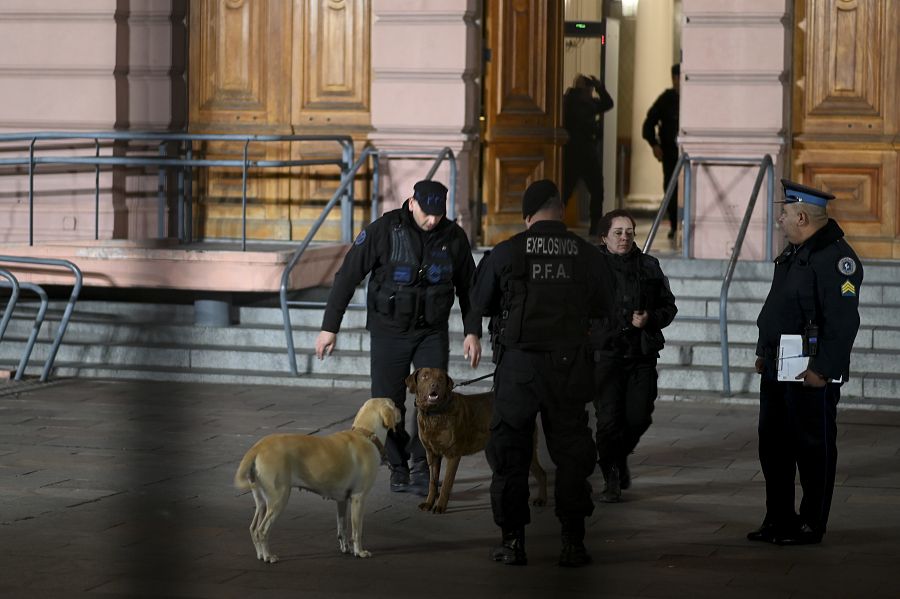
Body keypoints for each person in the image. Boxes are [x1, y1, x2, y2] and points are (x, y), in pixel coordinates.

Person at [470, 179, 608, 568]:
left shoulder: (506, 252)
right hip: (568, 367)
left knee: (510, 454)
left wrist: (475, 335)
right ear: (561, 210)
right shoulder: (586, 254)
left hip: (518, 368)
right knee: (571, 454)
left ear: (527, 216)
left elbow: (480, 302)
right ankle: (572, 543)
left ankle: (513, 543)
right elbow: (606, 310)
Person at [315, 180, 483, 495]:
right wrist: (329, 327)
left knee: (434, 397)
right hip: (388, 330)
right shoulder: (383, 231)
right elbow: (348, 275)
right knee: (388, 402)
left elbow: (469, 289)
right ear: (411, 203)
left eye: (438, 214)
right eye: (427, 213)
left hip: (431, 331)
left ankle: (423, 463)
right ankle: (397, 463)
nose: (432, 220)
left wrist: (472, 331)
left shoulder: (453, 237)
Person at [748, 179, 863, 546]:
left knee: (813, 449)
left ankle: (812, 523)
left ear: (801, 216)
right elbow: (778, 307)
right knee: (774, 447)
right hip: (780, 365)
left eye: (783, 213)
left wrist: (824, 370)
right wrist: (764, 351)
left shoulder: (836, 259)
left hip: (811, 370)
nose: (779, 219)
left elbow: (843, 323)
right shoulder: (794, 252)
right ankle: (779, 519)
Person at [590, 209, 677, 503]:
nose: (625, 237)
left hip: (641, 355)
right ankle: (611, 472)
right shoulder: (591, 269)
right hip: (606, 355)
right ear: (604, 237)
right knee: (608, 420)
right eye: (618, 232)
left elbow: (669, 306)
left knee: (638, 416)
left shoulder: (649, 266)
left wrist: (649, 318)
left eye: (629, 232)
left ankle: (616, 454)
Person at [562, 74, 614, 235]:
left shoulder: (584, 102)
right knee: (567, 191)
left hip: (584, 152)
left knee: (594, 190)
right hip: (576, 152)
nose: (591, 91)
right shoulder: (572, 101)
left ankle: (595, 225)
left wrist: (600, 87)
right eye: (589, 88)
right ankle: (558, 223)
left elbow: (608, 103)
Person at [642, 63, 680, 240]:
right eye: (676, 78)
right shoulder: (666, 99)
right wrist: (654, 145)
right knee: (671, 189)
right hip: (670, 153)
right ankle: (673, 224)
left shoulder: (694, 97)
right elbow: (648, 124)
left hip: (689, 154)